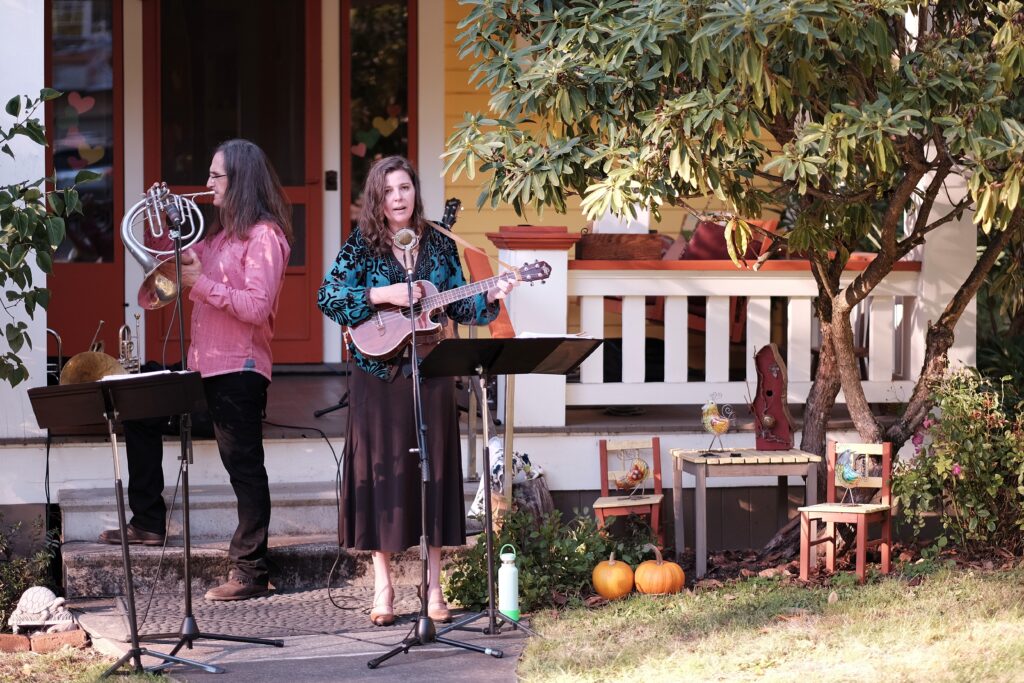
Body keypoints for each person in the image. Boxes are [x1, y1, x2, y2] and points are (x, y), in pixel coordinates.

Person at [317, 155, 517, 626]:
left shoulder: (439, 244)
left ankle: (433, 586)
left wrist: (489, 296)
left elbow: (461, 304)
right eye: (389, 192)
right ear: (377, 199)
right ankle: (383, 586)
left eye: (405, 188)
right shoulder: (362, 245)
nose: (399, 198)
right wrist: (382, 296)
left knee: (434, 474)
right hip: (377, 374)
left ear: (415, 191)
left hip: (430, 371)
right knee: (382, 476)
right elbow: (328, 296)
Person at [99, 139, 293, 602]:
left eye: (215, 176)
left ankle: (251, 572)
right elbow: (166, 275)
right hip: (204, 370)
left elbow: (256, 305)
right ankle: (148, 521)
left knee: (243, 467)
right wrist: (160, 219)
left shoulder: (264, 237)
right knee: (138, 405)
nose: (206, 184)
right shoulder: (220, 239)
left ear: (240, 180)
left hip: (240, 372)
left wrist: (199, 283)